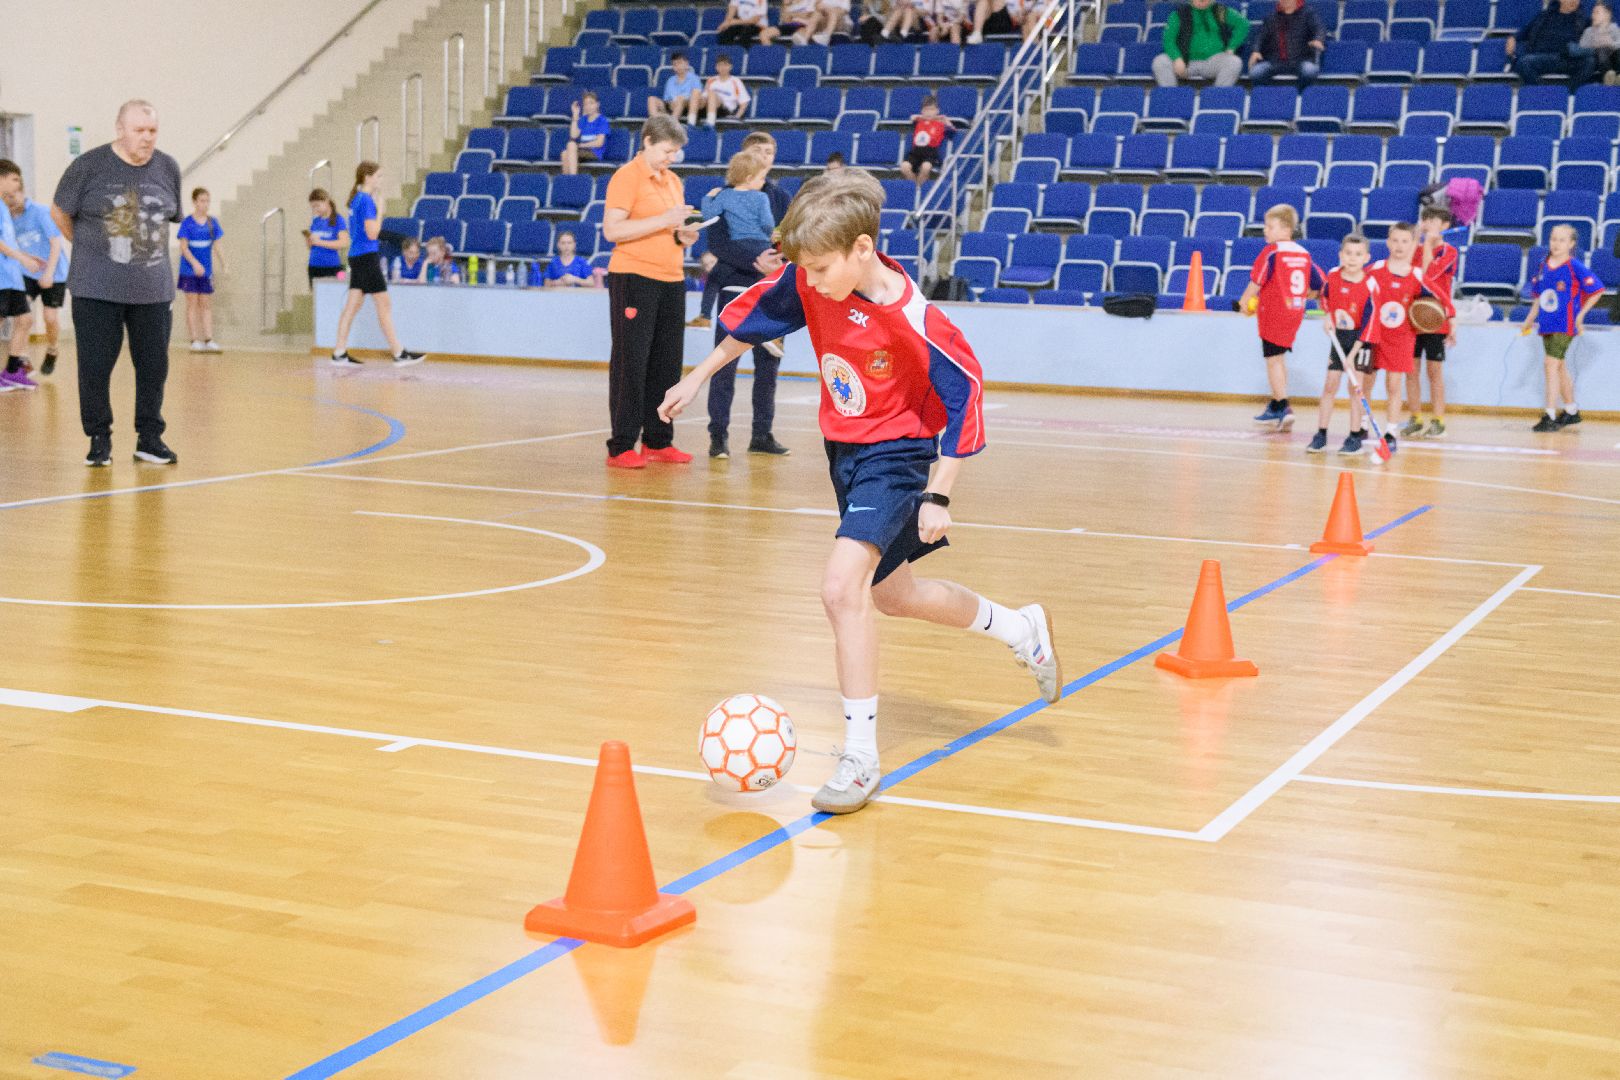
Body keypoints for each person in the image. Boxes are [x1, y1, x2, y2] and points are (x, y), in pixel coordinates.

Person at [657, 168, 1062, 816]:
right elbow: (756, 319)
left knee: (840, 588)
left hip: (896, 457)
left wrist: (939, 494)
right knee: (894, 596)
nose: (811, 282)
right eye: (806, 270)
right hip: (844, 454)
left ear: (862, 249)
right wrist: (697, 376)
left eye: (820, 269)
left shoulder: (915, 319)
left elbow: (967, 396)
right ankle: (1021, 628)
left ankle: (860, 757)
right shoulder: (811, 278)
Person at [50, 100, 183, 466]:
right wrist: (89, 246)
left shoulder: (168, 167)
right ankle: (99, 438)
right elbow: (59, 211)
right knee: (95, 367)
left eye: (152, 131)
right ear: (120, 129)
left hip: (153, 289)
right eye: (139, 130)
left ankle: (149, 438)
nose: (147, 138)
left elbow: (170, 216)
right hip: (96, 288)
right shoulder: (88, 166)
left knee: (154, 367)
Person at [602, 115, 701, 468]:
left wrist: (684, 235)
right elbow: (612, 230)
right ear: (647, 142)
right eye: (666, 151)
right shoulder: (626, 177)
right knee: (631, 362)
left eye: (675, 153)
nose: (671, 158)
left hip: (671, 277)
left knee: (666, 363)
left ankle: (658, 440)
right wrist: (664, 221)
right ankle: (621, 445)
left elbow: (671, 229)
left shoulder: (672, 180)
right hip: (634, 276)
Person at [701, 150, 790, 457]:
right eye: (760, 153)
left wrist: (775, 262)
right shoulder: (741, 196)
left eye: (769, 152)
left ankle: (762, 434)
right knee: (724, 363)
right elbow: (717, 244)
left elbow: (788, 238)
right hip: (737, 287)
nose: (766, 157)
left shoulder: (778, 196)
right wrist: (758, 261)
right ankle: (718, 436)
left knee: (768, 366)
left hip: (768, 288)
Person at [330, 162, 426, 368]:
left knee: (352, 306)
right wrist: (380, 210)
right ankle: (398, 353)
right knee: (383, 303)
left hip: (358, 256)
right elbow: (373, 233)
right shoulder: (365, 200)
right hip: (366, 257)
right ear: (367, 177)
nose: (381, 180)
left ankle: (339, 352)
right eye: (379, 176)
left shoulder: (357, 199)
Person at [1238, 204, 1323, 431]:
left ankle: (1284, 406)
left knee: (1273, 359)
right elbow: (1318, 286)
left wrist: (1244, 301)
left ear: (1286, 229)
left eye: (1270, 226)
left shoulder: (1272, 252)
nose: (1265, 230)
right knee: (1278, 357)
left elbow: (1257, 281)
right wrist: (1302, 295)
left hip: (1274, 312)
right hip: (1295, 313)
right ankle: (1275, 405)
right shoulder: (1303, 253)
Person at [1368, 222, 1451, 453]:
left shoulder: (1416, 275)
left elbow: (1442, 299)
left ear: (1413, 245)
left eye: (1405, 241)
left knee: (1393, 385)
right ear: (1388, 243)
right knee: (1366, 383)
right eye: (1395, 240)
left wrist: (1451, 319)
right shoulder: (1374, 269)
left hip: (1400, 338)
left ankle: (1391, 432)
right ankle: (1362, 426)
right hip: (1374, 335)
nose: (1399, 246)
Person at [1523, 224, 1605, 431]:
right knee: (1559, 366)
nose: (1556, 244)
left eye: (1562, 240)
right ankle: (1571, 410)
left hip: (1565, 323)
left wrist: (1580, 316)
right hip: (1547, 323)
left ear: (1571, 244)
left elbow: (1597, 290)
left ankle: (1549, 415)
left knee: (1550, 364)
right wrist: (1530, 318)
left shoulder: (1574, 266)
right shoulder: (1543, 265)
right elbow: (1538, 296)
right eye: (1553, 239)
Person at [1307, 233, 1381, 457]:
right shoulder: (1333, 276)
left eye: (1358, 254)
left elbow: (1370, 323)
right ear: (1341, 255)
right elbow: (1325, 298)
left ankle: (1354, 436)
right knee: (1330, 384)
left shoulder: (1370, 285)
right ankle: (1321, 434)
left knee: (1355, 387)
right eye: (1348, 253)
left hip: (1361, 341)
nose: (1352, 258)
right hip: (1339, 337)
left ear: (1366, 258)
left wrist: (1353, 354)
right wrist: (1327, 316)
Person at [4, 167, 64, 379]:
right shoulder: (7, 217)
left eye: (14, 195)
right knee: (23, 315)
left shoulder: (40, 212)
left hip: (54, 272)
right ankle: (22, 358)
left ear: (23, 192)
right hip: (27, 272)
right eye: (6, 197)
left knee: (49, 317)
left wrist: (49, 273)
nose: (11, 200)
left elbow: (56, 243)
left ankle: (53, 349)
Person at [1407, 205, 1458, 439]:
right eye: (1425, 220)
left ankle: (1438, 421)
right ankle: (1415, 418)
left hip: (1437, 318)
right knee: (1411, 371)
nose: (1427, 224)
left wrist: (1427, 244)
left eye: (1433, 221)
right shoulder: (1416, 249)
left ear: (1445, 226)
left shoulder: (1449, 252)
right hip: (1413, 317)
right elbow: (1406, 271)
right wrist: (1417, 240)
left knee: (1434, 371)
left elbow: (1427, 275)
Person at [0, 160, 47, 391]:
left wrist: (27, 256)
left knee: (25, 319)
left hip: (12, 276)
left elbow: (8, 241)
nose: (18, 184)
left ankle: (11, 373)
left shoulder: (4, 208)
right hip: (2, 276)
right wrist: (22, 259)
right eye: (14, 179)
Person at [1153, 0, 1249, 87]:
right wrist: (1176, 58)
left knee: (1234, 62)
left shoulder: (1221, 11)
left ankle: (1217, 96)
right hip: (1185, 61)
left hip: (1213, 61)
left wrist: (1232, 46)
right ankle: (1171, 95)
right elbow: (1168, 40)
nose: (1202, 2)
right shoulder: (1178, 14)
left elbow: (1243, 24)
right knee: (1160, 62)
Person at [176, 187, 224, 353]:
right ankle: (194, 340)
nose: (205, 204)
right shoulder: (187, 223)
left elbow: (217, 245)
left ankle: (209, 339)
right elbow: (183, 247)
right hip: (189, 270)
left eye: (207, 201)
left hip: (206, 271)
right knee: (192, 303)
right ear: (195, 202)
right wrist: (195, 264)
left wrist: (224, 263)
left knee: (205, 304)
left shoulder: (212, 222)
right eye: (202, 201)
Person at [1508, 0, 1590, 84]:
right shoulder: (1544, 16)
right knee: (1523, 63)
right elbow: (1522, 33)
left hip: (1566, 59)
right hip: (1542, 57)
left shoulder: (1583, 20)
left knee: (1590, 61)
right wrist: (1513, 38)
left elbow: (1593, 40)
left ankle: (1568, 90)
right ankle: (1543, 90)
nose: (1574, 1)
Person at [1248, 0, 1325, 87]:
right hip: (1274, 60)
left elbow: (1319, 29)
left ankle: (1299, 94)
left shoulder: (1308, 14)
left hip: (1301, 59)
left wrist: (1318, 39)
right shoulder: (1271, 17)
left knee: (1309, 71)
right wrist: (1256, 50)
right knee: (1256, 72)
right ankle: (1271, 94)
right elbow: (1260, 36)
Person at [900, 95, 951, 185]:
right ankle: (915, 185)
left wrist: (943, 119)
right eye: (926, 110)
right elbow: (912, 117)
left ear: (937, 111)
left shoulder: (940, 124)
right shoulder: (919, 122)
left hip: (930, 153)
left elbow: (952, 131)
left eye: (932, 109)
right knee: (904, 167)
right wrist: (931, 117)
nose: (929, 112)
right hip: (915, 152)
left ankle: (918, 188)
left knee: (926, 167)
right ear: (922, 111)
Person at [305, 188, 348, 290]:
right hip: (314, 266)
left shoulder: (338, 220)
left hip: (331, 266)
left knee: (332, 295)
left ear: (326, 201)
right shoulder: (316, 221)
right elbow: (311, 246)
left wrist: (320, 242)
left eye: (317, 205)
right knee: (316, 296)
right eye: (313, 207)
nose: (315, 209)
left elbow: (344, 243)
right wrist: (310, 241)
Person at [649, 53, 705, 126]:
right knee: (651, 99)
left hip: (688, 106)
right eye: (675, 64)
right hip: (672, 105)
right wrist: (671, 103)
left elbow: (697, 96)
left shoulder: (694, 78)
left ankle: (672, 125)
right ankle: (656, 125)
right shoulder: (670, 80)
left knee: (681, 98)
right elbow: (667, 98)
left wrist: (680, 99)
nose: (678, 66)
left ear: (686, 64)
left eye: (680, 63)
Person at [563, 91, 610, 176]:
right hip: (582, 151)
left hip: (594, 152)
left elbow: (599, 143)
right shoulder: (583, 119)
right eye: (586, 104)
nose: (588, 106)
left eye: (591, 103)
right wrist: (575, 116)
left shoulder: (602, 120)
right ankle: (567, 180)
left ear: (597, 104)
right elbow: (573, 135)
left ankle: (573, 177)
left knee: (571, 145)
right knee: (564, 154)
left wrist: (581, 145)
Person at [968, 0, 1053, 44]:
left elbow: (1053, 12)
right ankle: (977, 33)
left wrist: (1035, 14)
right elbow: (1016, 15)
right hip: (1004, 18)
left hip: (1044, 21)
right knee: (984, 1)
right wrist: (1020, 16)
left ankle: (1032, 53)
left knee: (1030, 17)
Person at [1574, 2, 1620, 83]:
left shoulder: (1614, 28)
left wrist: (1610, 43)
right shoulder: (1588, 31)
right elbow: (1582, 47)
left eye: (1597, 12)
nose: (1593, 15)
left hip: (1614, 58)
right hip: (1599, 60)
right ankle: (1608, 76)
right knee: (1601, 50)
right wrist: (1595, 46)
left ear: (1607, 15)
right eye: (1593, 12)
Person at [704, 55, 752, 126]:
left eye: (725, 65)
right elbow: (704, 97)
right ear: (716, 67)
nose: (722, 68)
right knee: (695, 95)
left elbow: (744, 103)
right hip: (707, 107)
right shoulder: (711, 80)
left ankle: (710, 125)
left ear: (730, 67)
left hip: (726, 110)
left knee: (712, 94)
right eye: (720, 65)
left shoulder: (736, 81)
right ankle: (691, 122)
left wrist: (736, 117)